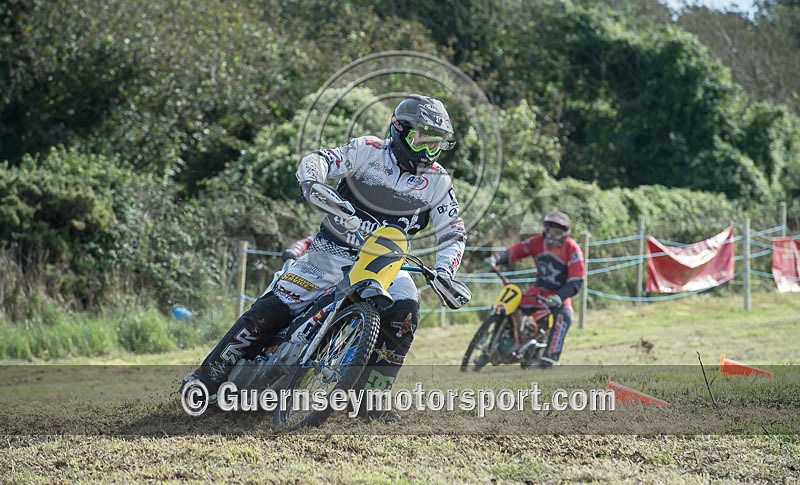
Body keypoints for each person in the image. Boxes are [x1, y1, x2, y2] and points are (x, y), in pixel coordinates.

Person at [183, 94, 469, 420]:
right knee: (270, 310)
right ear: (399, 130)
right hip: (329, 253)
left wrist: (446, 271)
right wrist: (313, 182)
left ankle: (372, 397)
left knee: (406, 310)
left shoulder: (438, 181)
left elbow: (453, 233)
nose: (427, 153)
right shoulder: (367, 150)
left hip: (387, 264)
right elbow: (318, 159)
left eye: (435, 145)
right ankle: (205, 379)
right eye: (420, 141)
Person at [487, 210, 585, 368]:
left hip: (558, 294)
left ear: (565, 234)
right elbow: (517, 250)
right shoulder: (537, 242)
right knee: (509, 304)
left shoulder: (572, 249)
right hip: (537, 291)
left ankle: (550, 359)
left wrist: (560, 297)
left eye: (558, 232)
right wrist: (496, 259)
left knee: (565, 316)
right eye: (550, 231)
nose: (553, 235)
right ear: (545, 230)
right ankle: (495, 343)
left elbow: (576, 280)